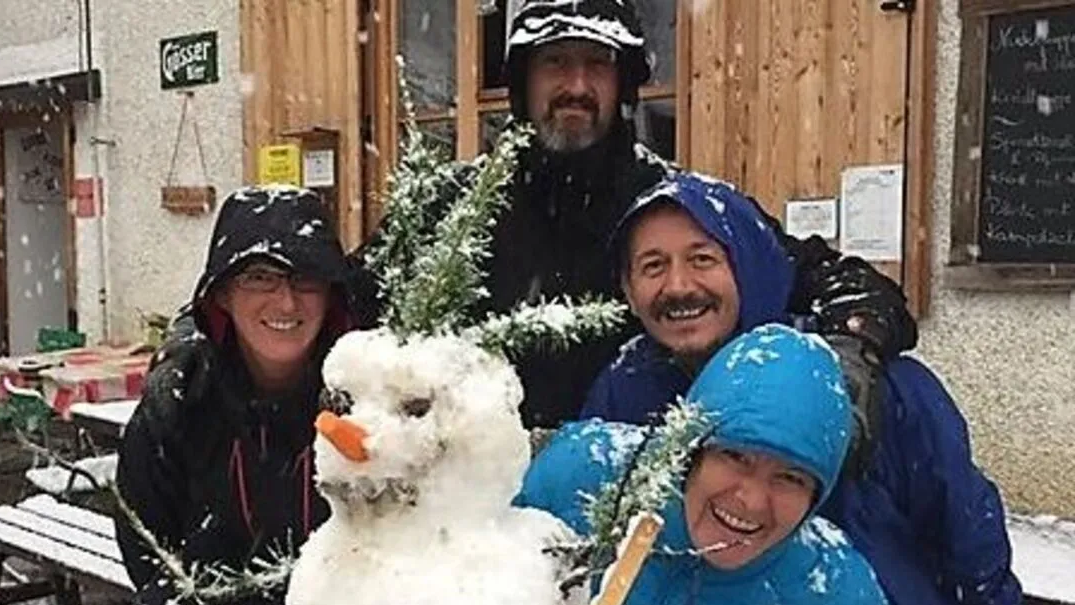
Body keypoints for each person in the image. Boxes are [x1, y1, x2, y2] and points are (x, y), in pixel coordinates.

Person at [347, 0, 918, 433]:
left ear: (623, 85)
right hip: (475, 520)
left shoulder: (677, 207)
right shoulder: (449, 209)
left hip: (640, 510)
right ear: (522, 84)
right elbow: (340, 308)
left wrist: (851, 352)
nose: (576, 86)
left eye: (597, 65)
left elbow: (842, 285)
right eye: (555, 63)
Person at [583, 171, 1021, 605]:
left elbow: (965, 519)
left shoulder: (867, 381)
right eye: (653, 266)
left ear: (748, 265)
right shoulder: (626, 386)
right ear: (629, 289)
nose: (678, 286)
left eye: (703, 259)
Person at [516, 323, 894, 605]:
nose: (751, 500)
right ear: (691, 448)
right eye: (735, 456)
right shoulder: (582, 471)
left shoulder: (830, 602)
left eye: (790, 478)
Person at [115, 186, 352, 605]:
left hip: (342, 602)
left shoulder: (370, 395)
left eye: (306, 278)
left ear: (332, 293)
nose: (286, 301)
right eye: (260, 277)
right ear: (221, 292)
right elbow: (149, 545)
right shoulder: (181, 403)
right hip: (222, 588)